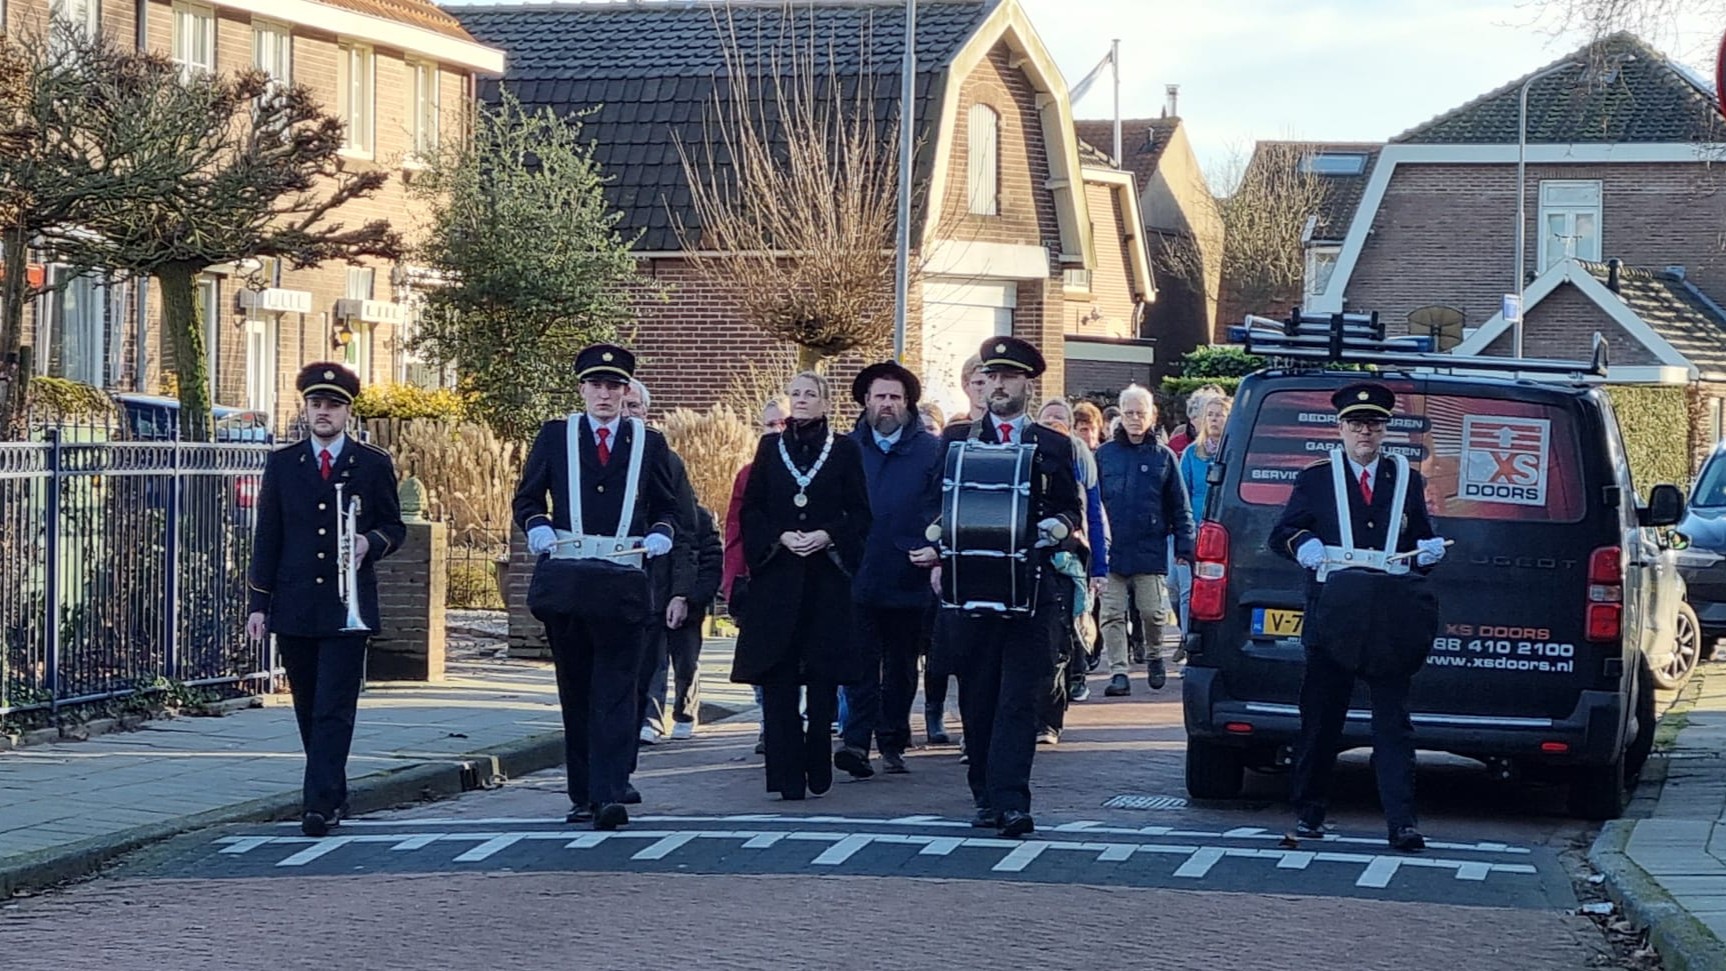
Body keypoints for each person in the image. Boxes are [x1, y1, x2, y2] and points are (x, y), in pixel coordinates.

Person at [911, 336, 1083, 838]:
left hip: (1031, 589)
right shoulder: (959, 440)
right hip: (972, 588)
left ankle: (1013, 801)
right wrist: (939, 542)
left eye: (1009, 377)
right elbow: (931, 502)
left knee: (1020, 698)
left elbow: (1070, 508)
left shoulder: (1053, 444)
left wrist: (1055, 530)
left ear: (1027, 383)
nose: (999, 386)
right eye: (992, 377)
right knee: (980, 695)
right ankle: (984, 792)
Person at [513, 344, 686, 831]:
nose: (605, 394)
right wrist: (538, 525)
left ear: (625, 391)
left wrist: (661, 533)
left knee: (617, 689)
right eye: (596, 385)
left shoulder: (648, 443)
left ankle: (610, 793)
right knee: (576, 688)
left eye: (614, 386)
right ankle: (583, 794)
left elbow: (669, 508)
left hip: (623, 582)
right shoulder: (555, 436)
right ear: (583, 389)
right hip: (569, 581)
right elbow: (527, 497)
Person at [1269, 382, 1446, 853]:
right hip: (1334, 617)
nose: (1364, 432)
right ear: (1340, 429)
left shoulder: (1406, 479)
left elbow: (1420, 537)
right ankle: (1309, 815)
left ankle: (1401, 822)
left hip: (1389, 616)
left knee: (1393, 725)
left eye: (1372, 424)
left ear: (1385, 430)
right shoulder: (1315, 478)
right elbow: (1282, 532)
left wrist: (1428, 550)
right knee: (1322, 721)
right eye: (1355, 424)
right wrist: (1303, 545)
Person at [247, 362, 406, 838]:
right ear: (306, 409)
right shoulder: (283, 463)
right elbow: (267, 537)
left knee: (334, 706)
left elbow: (393, 527)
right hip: (296, 603)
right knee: (307, 705)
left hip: (346, 603)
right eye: (316, 404)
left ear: (346, 412)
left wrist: (368, 543)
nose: (323, 413)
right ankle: (330, 790)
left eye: (332, 406)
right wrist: (259, 603)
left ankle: (318, 804)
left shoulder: (371, 463)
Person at [732, 372, 871, 800]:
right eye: (796, 395)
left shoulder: (845, 449)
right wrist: (780, 536)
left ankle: (817, 762)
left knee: (823, 673)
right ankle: (784, 773)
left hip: (826, 579)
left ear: (826, 402)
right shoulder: (771, 448)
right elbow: (750, 510)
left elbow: (860, 512)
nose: (803, 401)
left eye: (811, 394)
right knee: (779, 677)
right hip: (779, 580)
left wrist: (829, 534)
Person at [837, 360, 944, 776]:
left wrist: (932, 546)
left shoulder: (930, 450)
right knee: (860, 663)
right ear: (865, 402)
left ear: (908, 404)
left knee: (900, 666)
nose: (886, 404)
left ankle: (894, 738)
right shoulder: (847, 448)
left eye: (894, 397)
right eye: (879, 396)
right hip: (858, 574)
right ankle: (856, 742)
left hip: (908, 574)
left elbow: (940, 506)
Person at [1095, 384, 1194, 696]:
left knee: (1151, 612)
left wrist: (1184, 545)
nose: (1135, 418)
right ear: (1120, 416)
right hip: (1113, 551)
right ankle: (1119, 672)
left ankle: (1154, 656)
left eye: (1140, 413)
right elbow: (1091, 502)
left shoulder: (1164, 457)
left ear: (1152, 415)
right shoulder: (1105, 455)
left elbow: (1180, 505)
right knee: (1111, 613)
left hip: (1149, 550)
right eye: (1129, 413)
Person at [1032, 401, 1108, 739]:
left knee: (1059, 640)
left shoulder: (1080, 464)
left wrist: (1098, 568)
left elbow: (1092, 518)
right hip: (1032, 563)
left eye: (1060, 419)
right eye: (1047, 418)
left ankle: (1050, 717)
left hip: (1069, 562)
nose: (1053, 424)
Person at [722, 396, 788, 754]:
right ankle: (768, 722)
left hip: (801, 581)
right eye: (769, 425)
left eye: (783, 423)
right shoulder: (747, 476)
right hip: (757, 580)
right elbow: (736, 530)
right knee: (761, 656)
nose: (777, 431)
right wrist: (732, 580)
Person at [1175, 388, 1232, 635]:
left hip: (1222, 534)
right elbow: (1181, 493)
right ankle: (1185, 633)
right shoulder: (1190, 454)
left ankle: (1197, 640)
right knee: (1179, 590)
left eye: (1220, 415)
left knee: (1207, 592)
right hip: (1194, 531)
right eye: (1210, 414)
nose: (1214, 419)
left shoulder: (1233, 454)